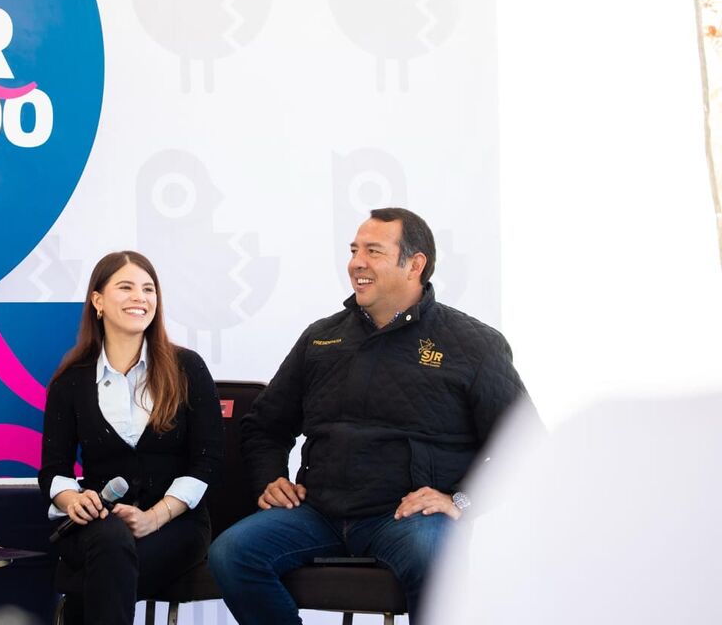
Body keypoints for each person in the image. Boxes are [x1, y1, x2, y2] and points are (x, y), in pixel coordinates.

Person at [208, 207, 533, 625]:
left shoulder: (474, 345)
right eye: (353, 250)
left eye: (373, 251)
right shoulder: (321, 338)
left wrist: (459, 500)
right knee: (232, 553)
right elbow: (264, 426)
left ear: (415, 264)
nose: (356, 263)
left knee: (436, 562)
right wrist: (270, 479)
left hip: (405, 519)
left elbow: (526, 448)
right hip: (318, 514)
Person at [39, 250, 224, 625]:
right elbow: (53, 470)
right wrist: (73, 500)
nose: (140, 297)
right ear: (98, 301)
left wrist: (154, 517)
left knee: (96, 574)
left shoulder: (187, 368)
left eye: (148, 289)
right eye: (125, 287)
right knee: (109, 543)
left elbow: (207, 460)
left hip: (175, 524)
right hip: (100, 523)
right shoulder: (71, 380)